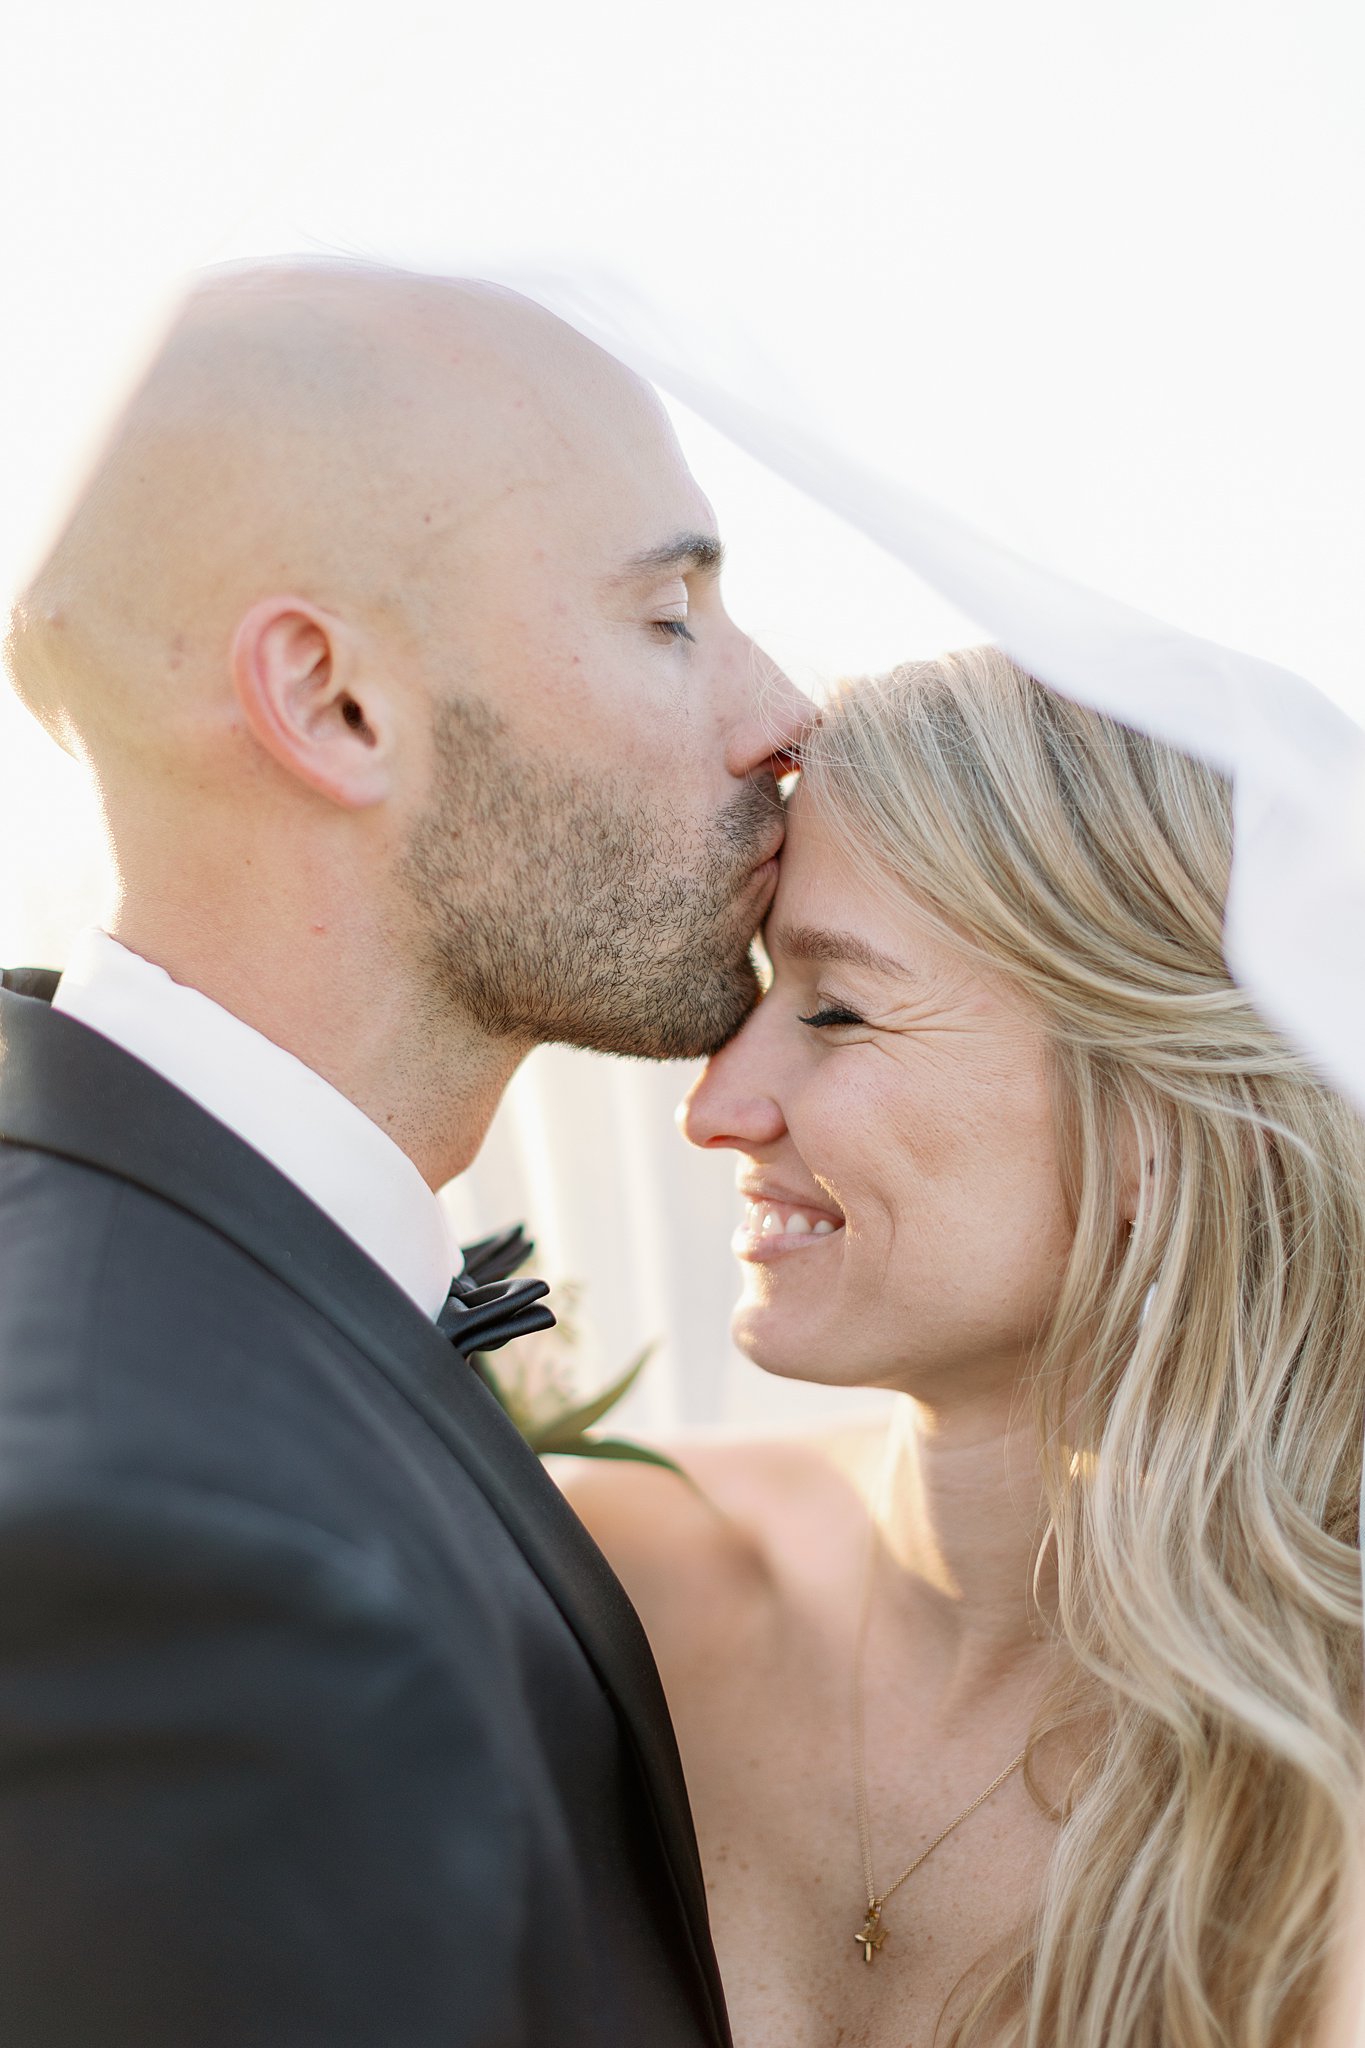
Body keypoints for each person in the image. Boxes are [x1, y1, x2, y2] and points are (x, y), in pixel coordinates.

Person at [0, 261, 809, 2046]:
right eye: (670, 615)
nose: (783, 713)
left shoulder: (157, 1280)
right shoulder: (167, 1566)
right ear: (333, 701)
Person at [565, 646, 1365, 2048]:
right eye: (757, 993)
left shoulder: (1325, 1781)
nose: (717, 1106)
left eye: (832, 1008)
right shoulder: (612, 1576)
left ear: (1159, 1125)